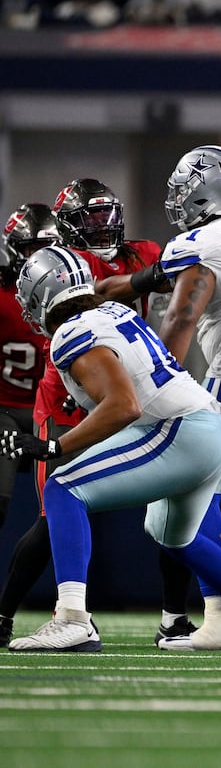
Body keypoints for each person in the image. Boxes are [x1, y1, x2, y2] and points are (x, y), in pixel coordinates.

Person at [3, 246, 221, 652]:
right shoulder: (115, 312)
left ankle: (72, 619)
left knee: (63, 487)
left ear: (39, 297)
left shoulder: (70, 332)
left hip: (179, 430)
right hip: (210, 425)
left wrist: (57, 444)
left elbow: (124, 405)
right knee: (173, 535)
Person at [95, 147, 221, 650]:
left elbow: (180, 317)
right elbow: (178, 273)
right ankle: (194, 615)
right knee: (198, 491)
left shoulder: (198, 245)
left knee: (191, 492)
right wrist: (126, 283)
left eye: (184, 189)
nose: (177, 199)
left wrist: (164, 378)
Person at [0, 206, 61, 645]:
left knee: (59, 512)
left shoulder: (75, 293)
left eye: (49, 248)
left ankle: (68, 610)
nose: (41, 258)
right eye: (32, 248)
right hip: (3, 411)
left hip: (50, 416)